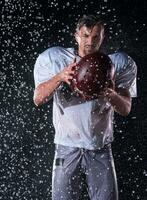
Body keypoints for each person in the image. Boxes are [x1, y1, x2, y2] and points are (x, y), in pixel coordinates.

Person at [33, 15, 137, 200]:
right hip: (66, 146)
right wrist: (59, 77)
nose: (90, 41)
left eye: (96, 36)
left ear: (103, 37)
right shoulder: (57, 59)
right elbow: (38, 98)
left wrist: (111, 94)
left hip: (99, 148)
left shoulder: (116, 64)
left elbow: (126, 109)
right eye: (86, 35)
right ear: (76, 36)